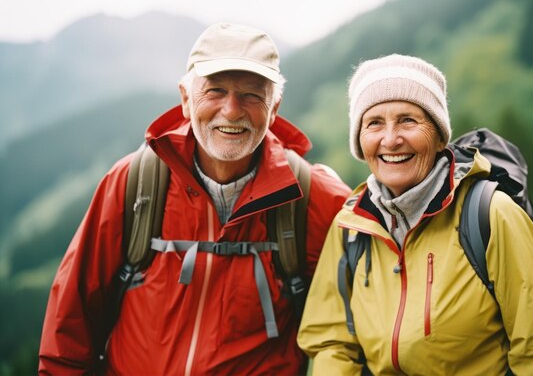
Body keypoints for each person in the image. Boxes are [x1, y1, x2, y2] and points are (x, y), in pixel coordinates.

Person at [38, 22, 351, 376]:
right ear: (186, 100)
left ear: (274, 108)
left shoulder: (312, 198)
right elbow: (69, 328)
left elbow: (367, 316)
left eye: (252, 94)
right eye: (215, 91)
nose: (232, 110)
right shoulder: (135, 184)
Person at [297, 54, 533, 375]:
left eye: (408, 120)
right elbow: (331, 340)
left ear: (440, 134)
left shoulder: (490, 215)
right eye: (374, 123)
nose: (390, 139)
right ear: (360, 140)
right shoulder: (350, 226)